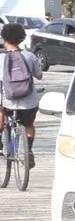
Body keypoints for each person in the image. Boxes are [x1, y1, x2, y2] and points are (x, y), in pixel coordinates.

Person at [0, 22, 43, 168]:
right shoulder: (29, 56)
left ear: (4, 38)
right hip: (29, 103)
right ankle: (28, 151)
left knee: (1, 109)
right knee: (29, 125)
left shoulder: (1, 59)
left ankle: (2, 142)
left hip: (8, 103)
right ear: (21, 39)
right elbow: (39, 76)